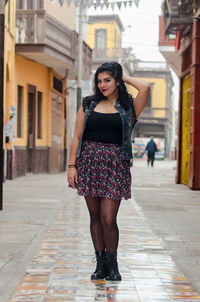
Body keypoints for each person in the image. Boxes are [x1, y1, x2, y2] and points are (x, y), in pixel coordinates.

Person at [67, 62, 150, 281]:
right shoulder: (88, 104)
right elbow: (76, 137)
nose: (102, 85)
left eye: (107, 80)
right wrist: (71, 166)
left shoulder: (129, 106)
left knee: (108, 218)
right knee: (94, 216)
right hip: (89, 164)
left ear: (117, 81)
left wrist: (125, 76)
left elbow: (146, 87)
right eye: (99, 80)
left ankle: (113, 263)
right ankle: (101, 264)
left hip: (115, 165)